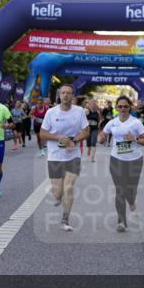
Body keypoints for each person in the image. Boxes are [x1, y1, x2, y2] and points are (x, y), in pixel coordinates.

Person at [40, 85, 89, 232]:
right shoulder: (51, 112)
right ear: (59, 95)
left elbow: (86, 131)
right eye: (63, 93)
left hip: (73, 156)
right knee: (58, 192)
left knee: (68, 187)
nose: (66, 95)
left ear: (72, 96)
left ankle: (65, 220)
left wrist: (74, 140)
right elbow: (42, 133)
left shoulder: (79, 111)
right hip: (55, 156)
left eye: (69, 93)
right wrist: (58, 137)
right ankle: (57, 196)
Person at [98, 95, 144, 232]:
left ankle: (132, 202)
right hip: (116, 160)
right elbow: (102, 135)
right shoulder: (112, 123)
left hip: (135, 160)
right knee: (120, 190)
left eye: (125, 106)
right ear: (116, 108)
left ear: (130, 107)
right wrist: (101, 138)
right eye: (120, 106)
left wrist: (135, 139)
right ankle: (121, 221)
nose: (122, 109)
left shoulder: (136, 123)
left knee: (130, 191)